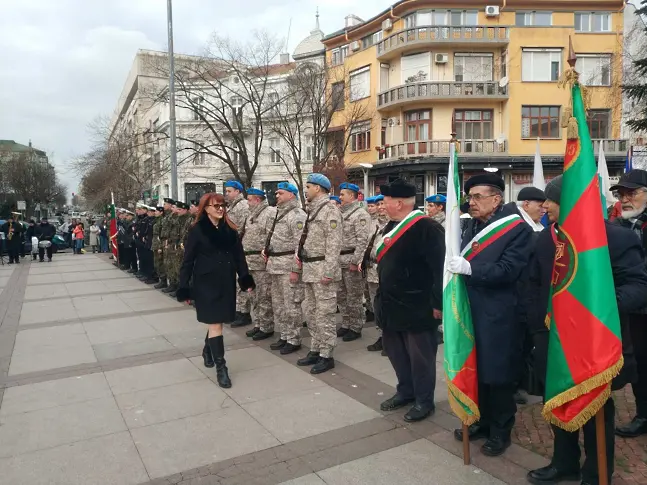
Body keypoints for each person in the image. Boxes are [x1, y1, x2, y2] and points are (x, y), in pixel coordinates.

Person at [525, 175, 647, 485]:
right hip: (552, 339)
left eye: (550, 199)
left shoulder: (616, 238)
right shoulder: (545, 238)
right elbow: (534, 286)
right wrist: (535, 325)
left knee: (596, 408)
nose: (544, 205)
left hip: (594, 341)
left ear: (570, 203)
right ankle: (563, 462)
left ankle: (598, 470)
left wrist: (595, 309)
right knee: (558, 401)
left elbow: (638, 286)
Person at [449, 172, 532, 457]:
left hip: (500, 314)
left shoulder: (517, 229)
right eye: (469, 197)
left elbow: (510, 270)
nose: (471, 202)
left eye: (477, 197)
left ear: (496, 199)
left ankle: (500, 430)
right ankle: (480, 421)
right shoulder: (471, 226)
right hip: (471, 310)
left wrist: (471, 269)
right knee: (476, 369)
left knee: (497, 375)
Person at [373, 179, 445, 422]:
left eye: (386, 202)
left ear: (400, 203)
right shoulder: (391, 226)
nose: (382, 206)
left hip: (418, 307)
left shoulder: (427, 228)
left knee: (421, 358)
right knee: (397, 354)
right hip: (392, 306)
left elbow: (439, 269)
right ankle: (406, 391)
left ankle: (424, 401)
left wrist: (438, 305)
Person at [176, 193, 255, 388]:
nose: (220, 209)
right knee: (215, 324)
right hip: (205, 283)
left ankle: (207, 349)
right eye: (215, 206)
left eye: (222, 205)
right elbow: (188, 261)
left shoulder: (230, 230)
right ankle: (222, 368)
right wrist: (183, 287)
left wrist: (245, 279)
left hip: (226, 281)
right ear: (206, 209)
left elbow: (239, 257)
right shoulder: (197, 230)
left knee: (217, 322)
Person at [608, 170, 647, 438]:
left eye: (632, 193)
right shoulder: (620, 225)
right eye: (622, 194)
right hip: (634, 309)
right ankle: (643, 414)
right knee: (641, 364)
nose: (626, 199)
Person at [296, 173, 343, 374]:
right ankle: (316, 348)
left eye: (308, 186)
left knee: (325, 314)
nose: (305, 190)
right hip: (310, 269)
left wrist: (330, 272)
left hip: (323, 270)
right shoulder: (313, 210)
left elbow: (334, 244)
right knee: (312, 312)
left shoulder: (329, 210)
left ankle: (327, 354)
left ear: (318, 188)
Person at [261, 182, 306, 353]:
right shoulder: (279, 213)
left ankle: (294, 339)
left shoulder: (296, 215)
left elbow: (299, 245)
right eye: (277, 193)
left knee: (291, 305)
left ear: (291, 195)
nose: (277, 196)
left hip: (288, 267)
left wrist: (296, 269)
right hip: (275, 266)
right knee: (278, 305)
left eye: (280, 193)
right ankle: (285, 335)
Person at [336, 182, 371, 342]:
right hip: (339, 261)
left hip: (351, 260)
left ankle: (356, 326)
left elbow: (362, 241)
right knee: (341, 295)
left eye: (342, 194)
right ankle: (346, 323)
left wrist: (355, 261)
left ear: (351, 196)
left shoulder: (360, 214)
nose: (340, 197)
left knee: (354, 296)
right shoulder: (339, 213)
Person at [362, 195, 389, 353]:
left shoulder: (396, 225)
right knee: (376, 305)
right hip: (373, 271)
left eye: (383, 203)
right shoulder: (372, 224)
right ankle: (382, 336)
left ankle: (392, 339)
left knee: (389, 307)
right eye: (378, 204)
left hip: (388, 271)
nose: (380, 207)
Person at [225, 180, 252, 326]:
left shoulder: (242, 206)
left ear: (237, 191)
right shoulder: (232, 206)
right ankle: (238, 310)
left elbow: (241, 228)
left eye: (229, 191)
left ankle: (244, 313)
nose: (227, 194)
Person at [155, 199, 174, 289]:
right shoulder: (166, 216)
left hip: (169, 242)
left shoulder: (172, 216)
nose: (164, 205)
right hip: (163, 241)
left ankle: (172, 283)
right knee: (162, 262)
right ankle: (164, 281)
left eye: (165, 204)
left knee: (169, 264)